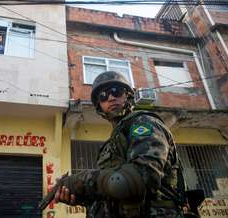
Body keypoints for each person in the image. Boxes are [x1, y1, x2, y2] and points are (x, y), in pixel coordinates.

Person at [54, 71, 187, 218]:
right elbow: (109, 192)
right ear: (99, 105)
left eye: (115, 91)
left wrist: (81, 180)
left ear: (127, 96)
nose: (110, 97)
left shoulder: (144, 123)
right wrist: (79, 196)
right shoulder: (109, 145)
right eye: (103, 96)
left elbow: (137, 179)